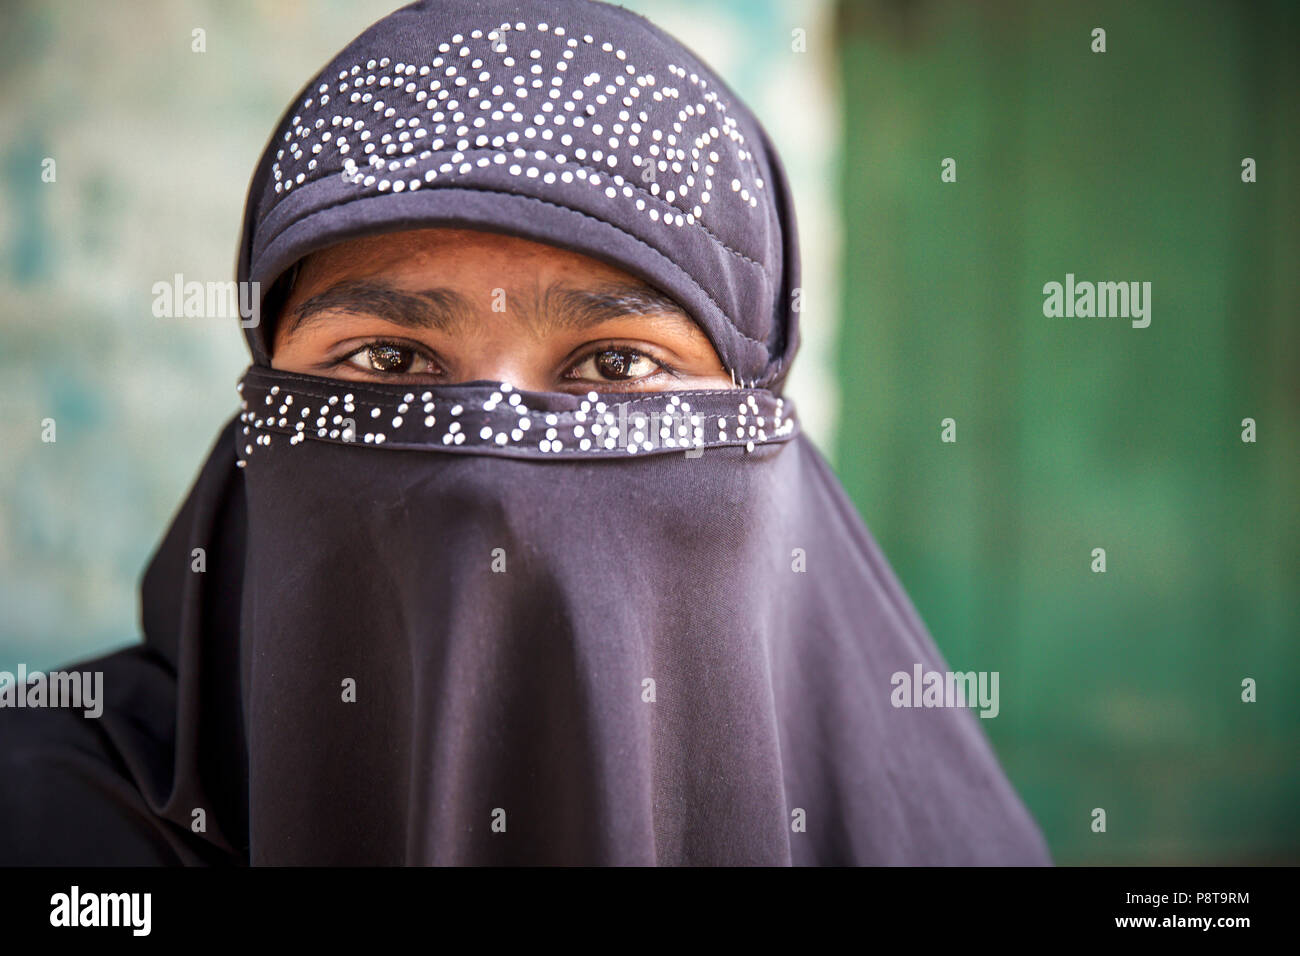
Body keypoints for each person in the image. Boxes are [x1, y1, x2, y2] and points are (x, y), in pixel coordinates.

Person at [0, 0, 1051, 865]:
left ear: (755, 413)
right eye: (388, 361)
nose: (489, 454)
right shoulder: (53, 822)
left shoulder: (907, 835)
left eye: (616, 364)